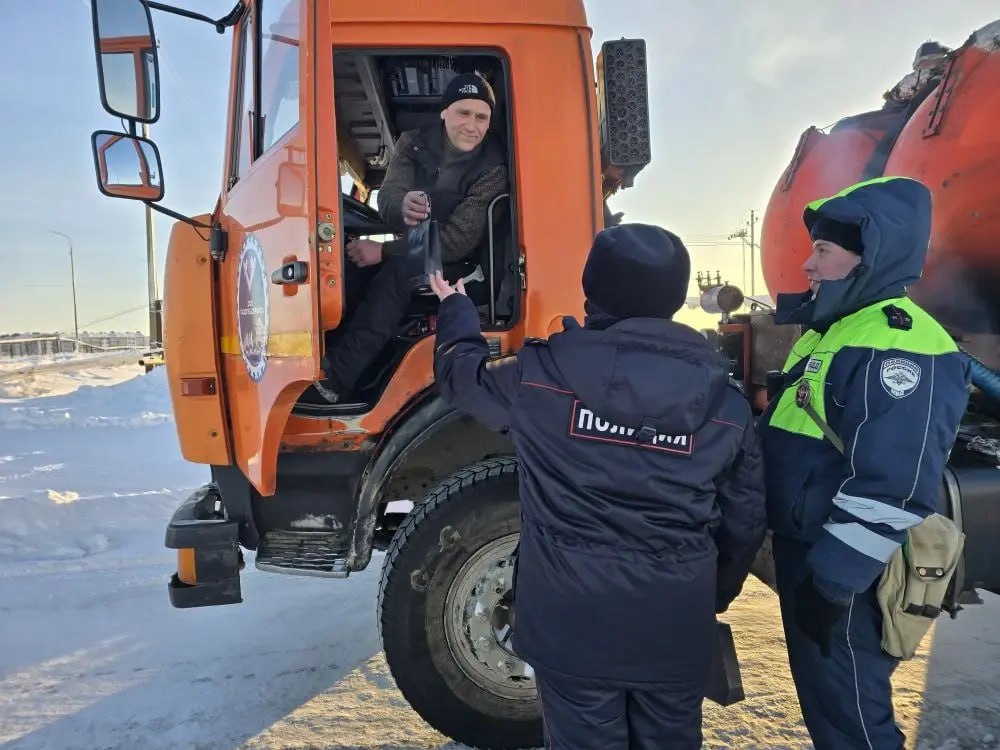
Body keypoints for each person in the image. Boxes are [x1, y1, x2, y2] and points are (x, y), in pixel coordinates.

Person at [428, 223, 767, 749]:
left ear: (594, 292)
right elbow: (745, 519)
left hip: (572, 632)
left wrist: (456, 311)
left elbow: (460, 378)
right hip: (673, 627)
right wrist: (707, 595)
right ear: (675, 298)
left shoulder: (539, 376)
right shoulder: (725, 404)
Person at [757, 176, 971, 749]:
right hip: (812, 552)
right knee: (830, 711)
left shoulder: (901, 342)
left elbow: (893, 483)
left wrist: (833, 582)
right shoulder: (837, 331)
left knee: (853, 716)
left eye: (822, 251)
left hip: (845, 568)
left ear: (867, 257)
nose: (807, 265)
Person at [315, 72, 508, 403]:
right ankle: (325, 355)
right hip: (416, 247)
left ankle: (337, 379)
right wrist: (400, 206)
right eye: (464, 113)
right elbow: (387, 198)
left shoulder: (494, 167)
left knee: (398, 273)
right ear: (445, 111)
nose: (472, 126)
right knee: (350, 263)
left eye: (481, 117)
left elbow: (458, 241)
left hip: (466, 265)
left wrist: (386, 251)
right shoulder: (412, 142)